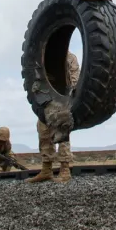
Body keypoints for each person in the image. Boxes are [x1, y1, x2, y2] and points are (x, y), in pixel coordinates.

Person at [26, 52, 79, 184]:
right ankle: (46, 170)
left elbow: (75, 78)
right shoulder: (43, 56)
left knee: (62, 133)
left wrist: (70, 97)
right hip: (45, 99)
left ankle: (65, 170)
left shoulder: (70, 57)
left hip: (62, 98)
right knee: (43, 133)